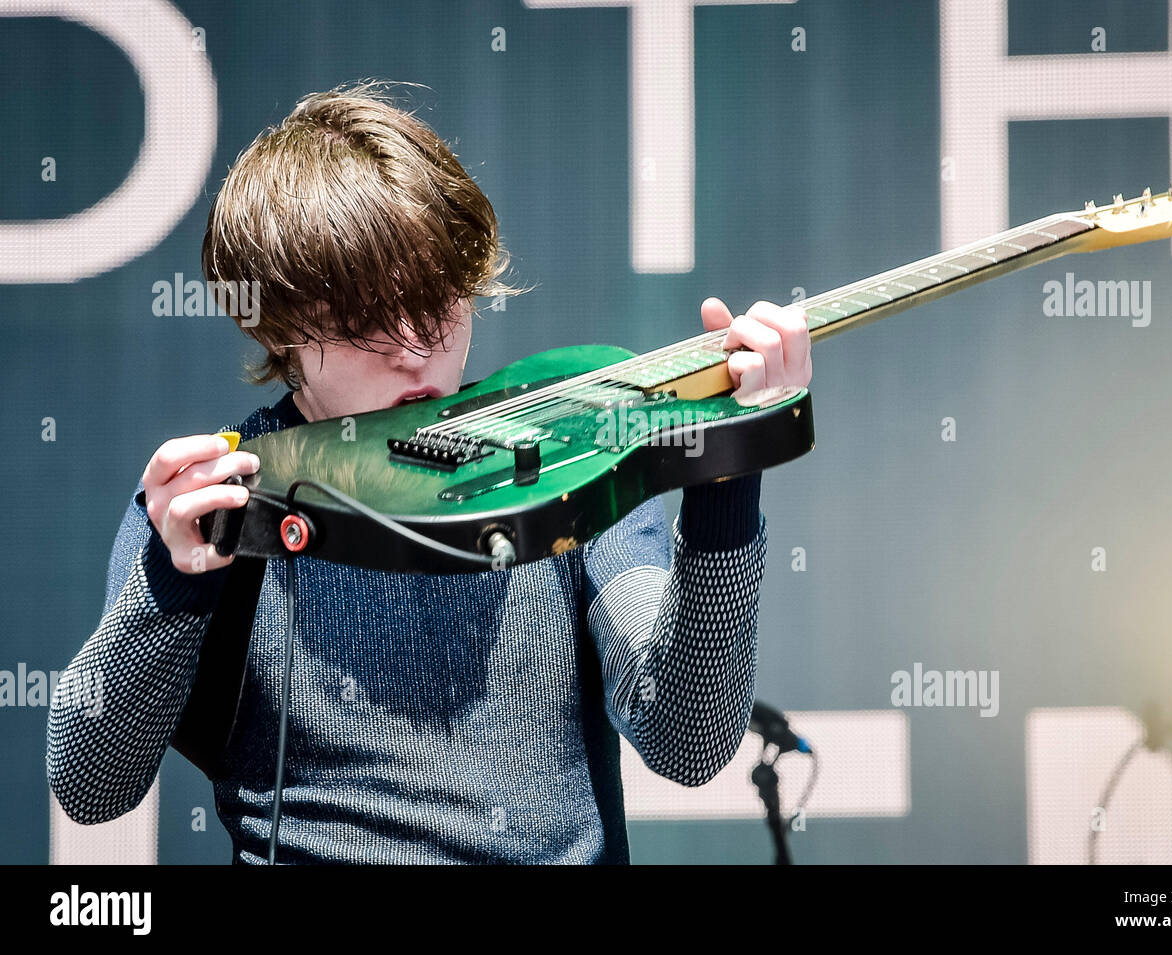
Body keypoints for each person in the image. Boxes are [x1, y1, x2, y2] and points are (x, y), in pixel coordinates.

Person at [46, 82, 812, 864]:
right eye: (367, 320)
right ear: (276, 323)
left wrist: (728, 468)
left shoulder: (567, 448)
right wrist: (172, 582)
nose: (415, 347)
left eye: (439, 301)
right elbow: (90, 784)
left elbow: (688, 739)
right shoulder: (215, 498)